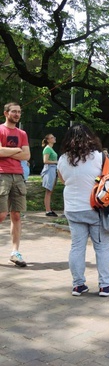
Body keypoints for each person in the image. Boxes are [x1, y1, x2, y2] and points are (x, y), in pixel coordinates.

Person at [57, 124, 109, 297]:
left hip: (72, 208)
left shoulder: (62, 159)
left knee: (76, 247)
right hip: (94, 207)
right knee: (102, 247)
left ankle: (78, 285)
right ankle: (105, 285)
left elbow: (62, 180)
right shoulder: (99, 157)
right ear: (90, 137)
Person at [0, 102, 31, 267]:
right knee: (1, 214)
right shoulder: (0, 130)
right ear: (6, 113)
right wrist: (17, 150)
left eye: (19, 112)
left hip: (18, 176)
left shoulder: (22, 133)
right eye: (13, 111)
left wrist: (8, 151)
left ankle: (15, 252)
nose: (17, 114)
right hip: (2, 174)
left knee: (16, 215)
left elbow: (27, 156)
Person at [41, 133, 58, 217]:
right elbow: (45, 161)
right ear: (48, 140)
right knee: (48, 191)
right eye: (52, 137)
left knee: (50, 191)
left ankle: (49, 209)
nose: (54, 138)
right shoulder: (47, 149)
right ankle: (48, 210)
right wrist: (57, 162)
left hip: (53, 169)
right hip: (49, 170)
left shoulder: (51, 149)